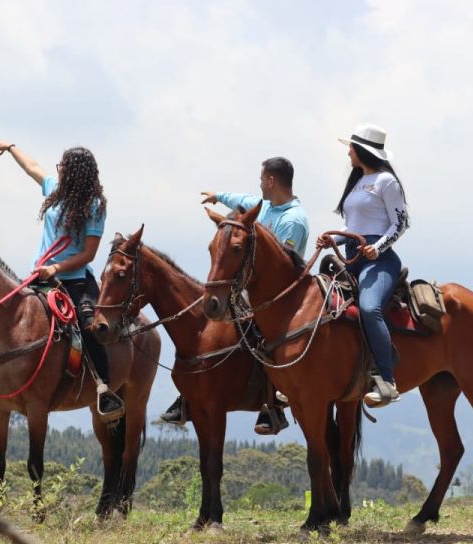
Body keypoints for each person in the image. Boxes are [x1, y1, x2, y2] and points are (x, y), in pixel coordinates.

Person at [160, 157, 310, 434]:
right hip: (251, 287)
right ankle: (188, 392)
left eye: (261, 178)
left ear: (271, 181)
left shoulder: (293, 220)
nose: (259, 184)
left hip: (279, 296)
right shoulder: (266, 205)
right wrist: (219, 197)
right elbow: (243, 200)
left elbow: (282, 263)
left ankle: (273, 402)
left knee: (263, 335)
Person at [0, 138, 122, 420]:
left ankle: (103, 389)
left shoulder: (95, 206)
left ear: (74, 171)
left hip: (74, 281)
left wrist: (56, 269)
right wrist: (11, 148)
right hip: (41, 277)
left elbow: (89, 254)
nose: (57, 169)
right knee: (2, 316)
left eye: (62, 165)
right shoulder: (54, 190)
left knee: (89, 327)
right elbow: (32, 167)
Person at [317, 123, 410, 408]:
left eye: (351, 148)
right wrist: (333, 239)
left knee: (370, 308)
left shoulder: (386, 182)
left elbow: (402, 222)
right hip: (352, 254)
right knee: (318, 304)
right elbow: (353, 225)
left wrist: (377, 247)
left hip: (379, 261)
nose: (348, 152)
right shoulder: (357, 181)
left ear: (361, 151)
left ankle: (387, 380)